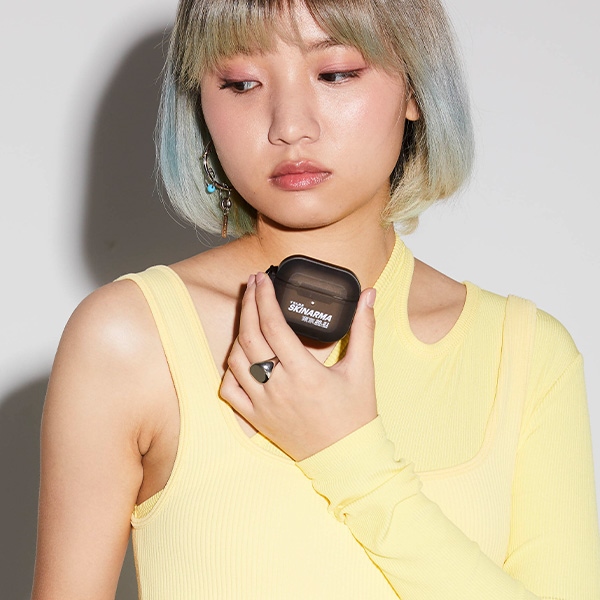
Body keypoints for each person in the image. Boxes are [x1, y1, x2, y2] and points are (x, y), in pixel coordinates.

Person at [32, 0, 600, 598]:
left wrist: (350, 457)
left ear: (415, 88)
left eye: (336, 73)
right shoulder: (132, 338)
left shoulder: (525, 355)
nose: (289, 125)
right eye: (241, 83)